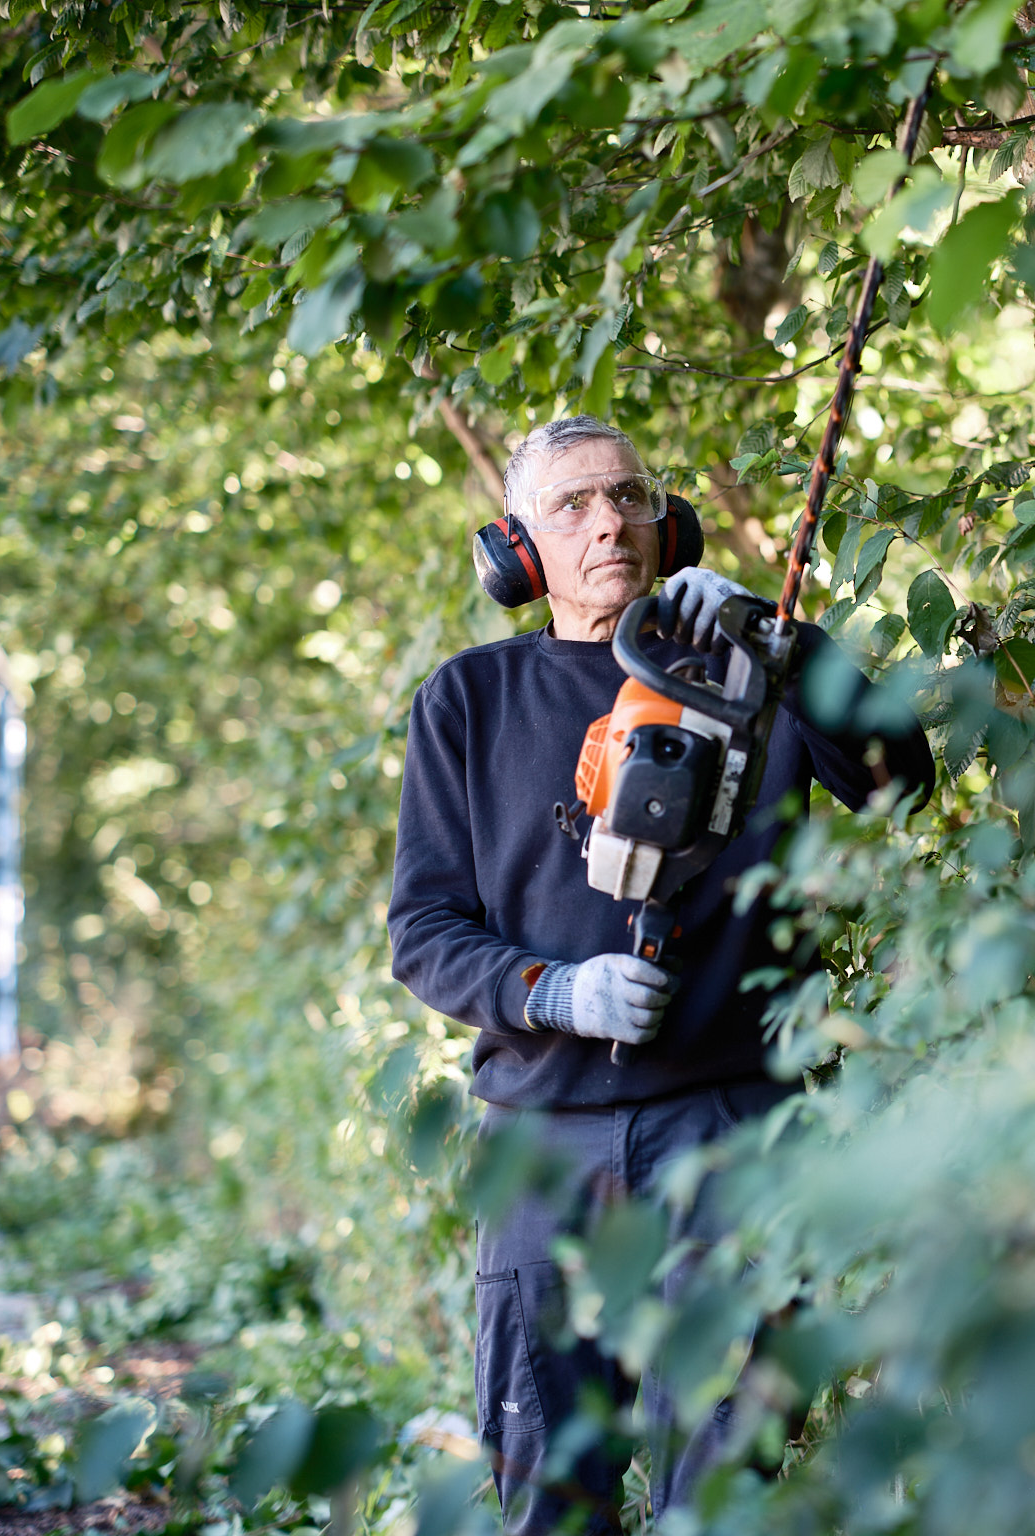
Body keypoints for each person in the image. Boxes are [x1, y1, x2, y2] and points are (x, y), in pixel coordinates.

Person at [387, 415, 934, 1534]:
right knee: (547, 1481)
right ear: (517, 549)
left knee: (726, 1482)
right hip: (543, 1139)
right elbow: (424, 931)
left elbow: (899, 780)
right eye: (574, 506)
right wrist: (553, 991)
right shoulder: (469, 702)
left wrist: (790, 647)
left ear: (668, 520)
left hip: (733, 1125)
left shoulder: (756, 666)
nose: (609, 524)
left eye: (629, 496)